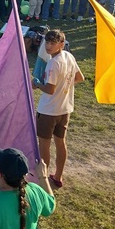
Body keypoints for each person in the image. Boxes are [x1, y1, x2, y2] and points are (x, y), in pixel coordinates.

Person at [33, 29, 84, 188]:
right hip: (65, 109)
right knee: (61, 142)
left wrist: (37, 85)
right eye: (47, 42)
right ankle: (58, 176)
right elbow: (79, 78)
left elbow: (50, 89)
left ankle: (43, 180)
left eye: (52, 43)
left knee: (44, 145)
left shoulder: (53, 63)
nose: (48, 46)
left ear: (61, 44)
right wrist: (64, 86)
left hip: (48, 111)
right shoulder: (69, 56)